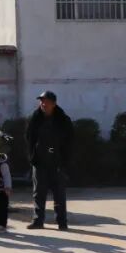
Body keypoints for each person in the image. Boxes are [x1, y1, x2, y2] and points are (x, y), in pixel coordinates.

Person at [26, 90, 74, 230]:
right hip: (40, 161)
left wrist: (65, 160)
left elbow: (70, 141)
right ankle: (38, 221)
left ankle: (62, 222)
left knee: (59, 193)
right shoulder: (35, 118)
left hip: (57, 161)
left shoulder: (63, 119)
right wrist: (32, 156)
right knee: (38, 193)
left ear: (53, 103)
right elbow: (29, 138)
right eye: (41, 101)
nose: (43, 104)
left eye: (46, 101)